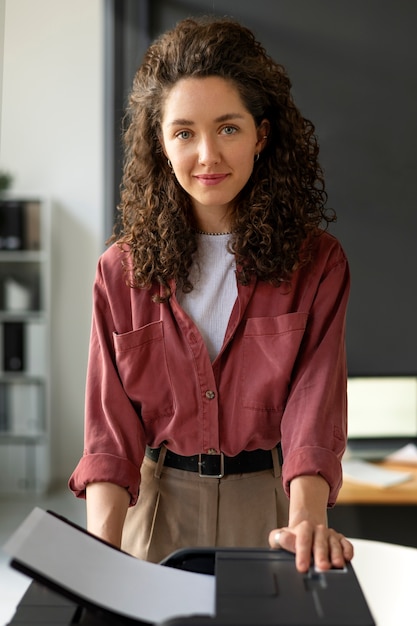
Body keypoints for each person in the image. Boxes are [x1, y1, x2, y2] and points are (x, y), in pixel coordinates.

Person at [69, 15, 353, 574]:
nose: (207, 156)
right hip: (154, 511)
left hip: (272, 509)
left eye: (227, 128)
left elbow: (314, 409)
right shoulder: (120, 272)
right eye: (184, 133)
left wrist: (306, 520)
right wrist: (98, 554)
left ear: (261, 134)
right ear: (161, 142)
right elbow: (110, 431)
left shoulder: (317, 263)